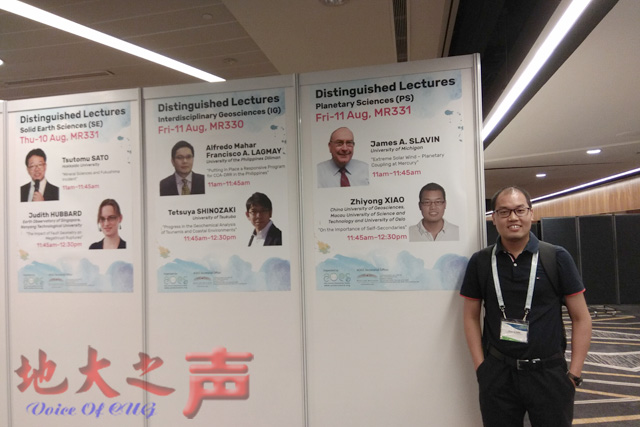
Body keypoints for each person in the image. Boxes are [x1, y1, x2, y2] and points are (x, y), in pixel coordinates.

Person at [460, 186, 591, 427]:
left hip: (549, 373)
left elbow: (581, 317)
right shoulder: (481, 261)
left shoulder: (556, 257)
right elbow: (470, 316)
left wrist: (573, 374)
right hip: (498, 373)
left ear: (531, 213)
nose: (513, 217)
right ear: (493, 218)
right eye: (504, 212)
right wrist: (482, 369)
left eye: (520, 210)